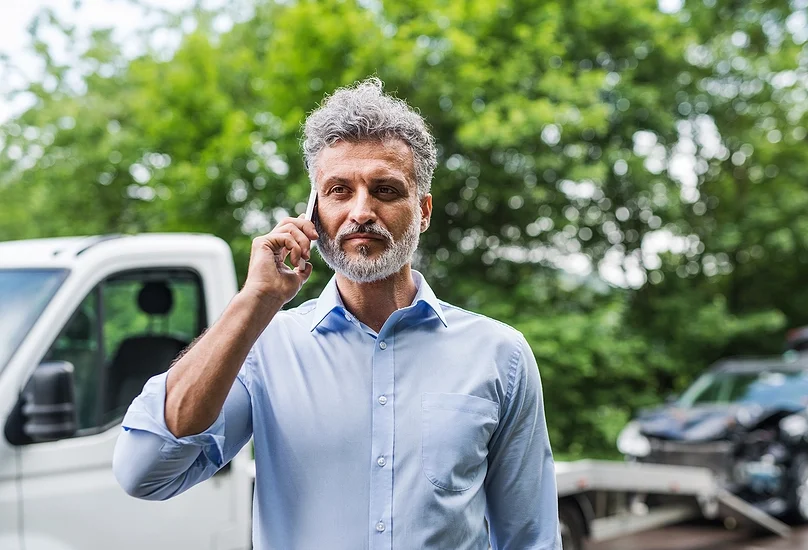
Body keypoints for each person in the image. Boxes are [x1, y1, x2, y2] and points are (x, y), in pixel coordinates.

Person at [112, 78, 561, 550]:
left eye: (386, 190)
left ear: (423, 211)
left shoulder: (500, 355)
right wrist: (255, 300)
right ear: (313, 211)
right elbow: (144, 472)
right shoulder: (264, 348)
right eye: (339, 190)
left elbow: (530, 539)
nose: (361, 211)